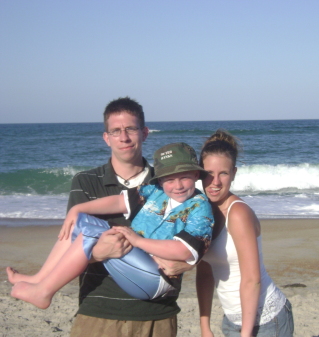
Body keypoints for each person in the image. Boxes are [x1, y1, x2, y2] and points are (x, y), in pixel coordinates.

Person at [9, 97, 192, 337]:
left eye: (131, 129)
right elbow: (70, 241)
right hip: (98, 310)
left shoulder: (170, 182)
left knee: (87, 227)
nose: (124, 137)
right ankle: (40, 281)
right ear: (106, 138)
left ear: (145, 133)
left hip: (157, 312)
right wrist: (98, 253)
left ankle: (42, 285)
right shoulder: (85, 183)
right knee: (82, 229)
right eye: (116, 131)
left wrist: (191, 261)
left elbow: (199, 234)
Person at [8, 142, 213, 310]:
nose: (177, 185)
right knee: (80, 222)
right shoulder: (155, 191)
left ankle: (44, 292)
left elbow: (183, 250)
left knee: (90, 234)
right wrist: (77, 209)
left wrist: (137, 240)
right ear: (160, 180)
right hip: (136, 263)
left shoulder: (200, 207)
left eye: (184, 177)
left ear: (196, 175)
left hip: (155, 278)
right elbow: (118, 202)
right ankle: (39, 279)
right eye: (169, 179)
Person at [196, 129, 294, 337]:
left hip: (266, 321)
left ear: (234, 173)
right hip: (231, 321)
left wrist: (246, 334)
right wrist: (205, 326)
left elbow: (252, 279)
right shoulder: (203, 212)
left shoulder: (238, 213)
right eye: (209, 173)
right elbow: (204, 273)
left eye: (223, 173)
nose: (215, 182)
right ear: (199, 173)